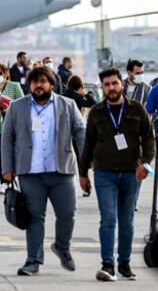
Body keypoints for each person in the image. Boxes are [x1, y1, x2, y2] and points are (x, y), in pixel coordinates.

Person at [1, 66, 85, 276]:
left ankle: (62, 247)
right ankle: (33, 260)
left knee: (67, 214)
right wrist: (7, 168)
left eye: (43, 81)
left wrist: (86, 160)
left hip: (61, 170)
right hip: (30, 172)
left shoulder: (68, 104)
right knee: (35, 218)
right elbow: (7, 136)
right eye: (35, 81)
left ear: (51, 83)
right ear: (29, 85)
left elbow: (80, 131)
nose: (39, 85)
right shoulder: (17, 107)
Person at [79, 68, 155, 282]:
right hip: (104, 174)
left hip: (132, 173)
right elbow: (88, 145)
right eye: (107, 85)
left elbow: (149, 139)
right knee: (108, 219)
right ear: (102, 88)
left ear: (121, 84)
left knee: (127, 220)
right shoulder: (97, 112)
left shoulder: (136, 109)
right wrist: (83, 174)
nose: (111, 88)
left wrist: (146, 163)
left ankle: (125, 263)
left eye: (114, 83)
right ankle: (108, 265)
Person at [0, 63, 24, 194]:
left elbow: (23, 103)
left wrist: (10, 108)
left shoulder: (14, 86)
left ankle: (13, 180)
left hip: (11, 126)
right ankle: (3, 183)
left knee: (12, 155)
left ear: (6, 74)